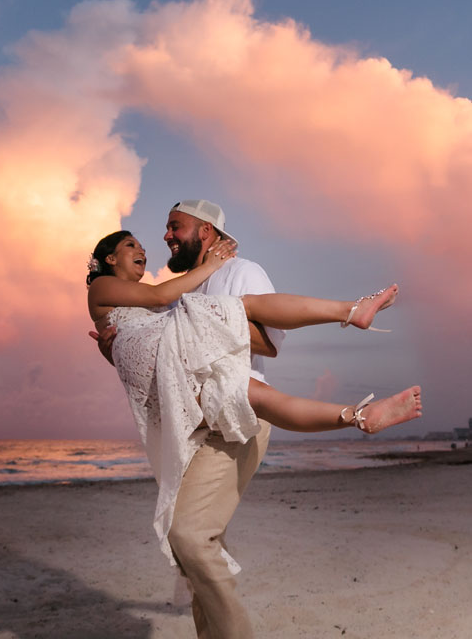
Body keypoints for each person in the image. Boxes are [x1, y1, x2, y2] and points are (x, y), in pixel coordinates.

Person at [87, 206, 421, 638]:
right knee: (195, 545)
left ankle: (351, 313)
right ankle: (358, 414)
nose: (163, 238)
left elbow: (269, 342)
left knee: (190, 536)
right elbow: (145, 329)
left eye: (174, 227)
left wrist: (212, 314)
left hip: (233, 417)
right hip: (192, 413)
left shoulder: (238, 270)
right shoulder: (164, 288)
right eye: (148, 237)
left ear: (204, 230)